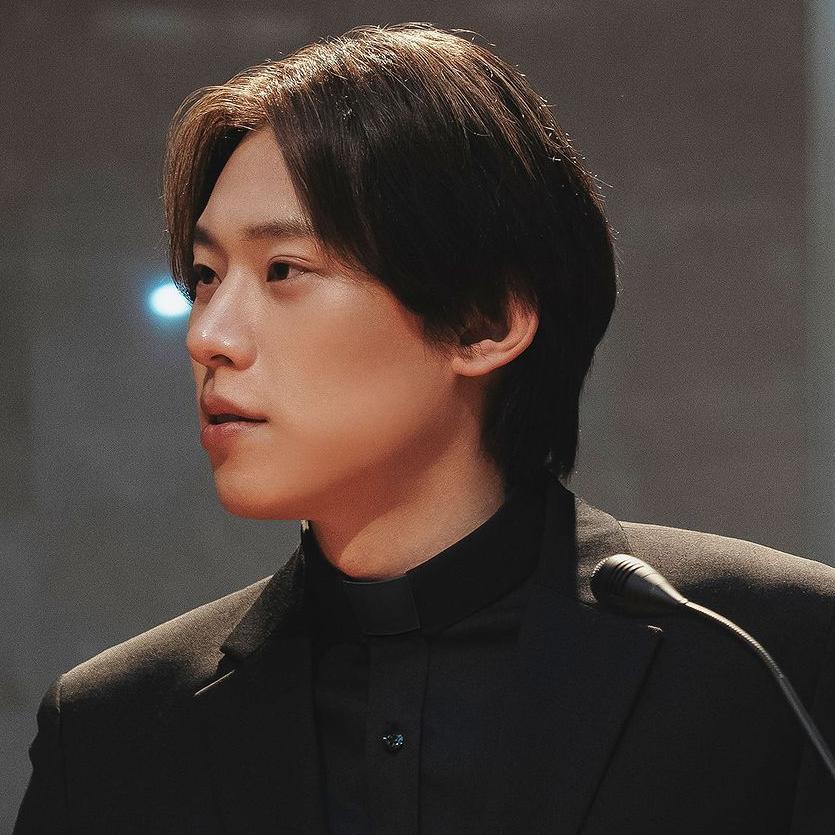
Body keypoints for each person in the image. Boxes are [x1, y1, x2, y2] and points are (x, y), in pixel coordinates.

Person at [14, 22, 835, 835]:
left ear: (484, 321)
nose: (207, 335)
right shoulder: (108, 732)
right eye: (204, 275)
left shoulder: (774, 657)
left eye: (283, 270)